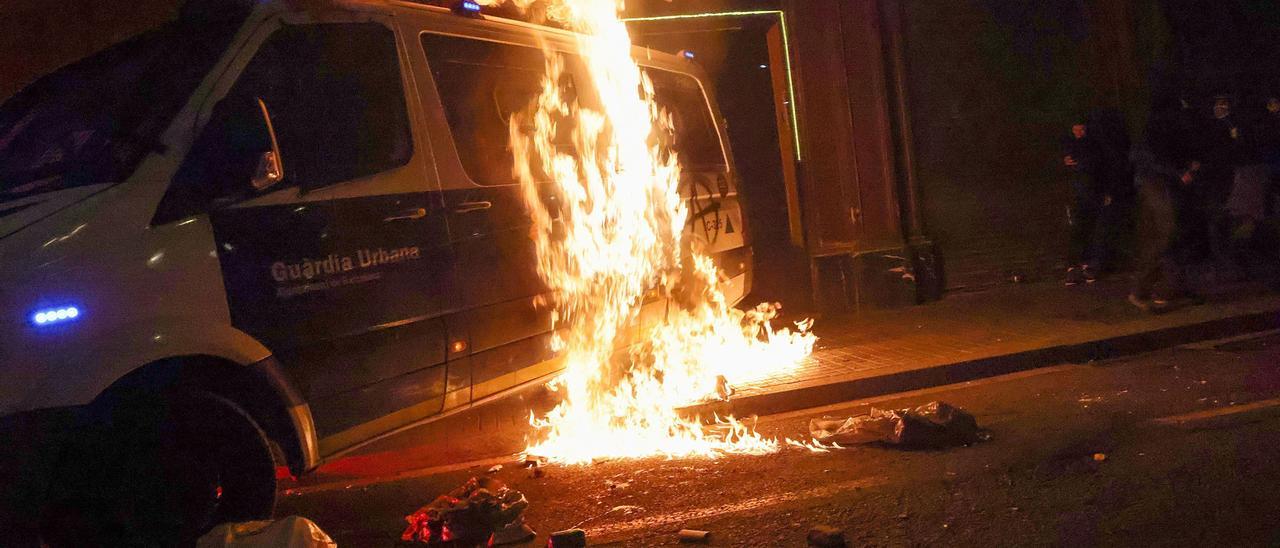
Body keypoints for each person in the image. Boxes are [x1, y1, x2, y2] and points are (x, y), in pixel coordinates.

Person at [1129, 101, 1203, 312]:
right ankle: (1146, 288)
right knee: (1167, 233)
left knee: (1173, 233)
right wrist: (1179, 171)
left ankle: (1171, 286)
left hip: (1160, 183)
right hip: (1156, 183)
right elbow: (1153, 158)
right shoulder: (1158, 129)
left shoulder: (1164, 128)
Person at [1061, 120, 1106, 285]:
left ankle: (1088, 264)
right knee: (1076, 228)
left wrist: (1105, 191)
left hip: (1092, 193)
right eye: (1075, 129)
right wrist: (1064, 162)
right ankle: (1072, 266)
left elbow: (1100, 167)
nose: (1079, 132)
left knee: (1091, 229)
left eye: (1081, 129)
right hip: (1076, 194)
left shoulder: (1094, 145)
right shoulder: (1068, 145)